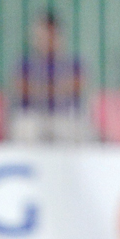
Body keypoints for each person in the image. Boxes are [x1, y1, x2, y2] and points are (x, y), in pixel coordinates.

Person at [9, 11, 87, 143]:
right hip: (33, 115)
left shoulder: (72, 63)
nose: (46, 39)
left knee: (77, 129)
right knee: (25, 128)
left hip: (64, 115)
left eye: (50, 34)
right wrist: (57, 88)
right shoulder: (26, 63)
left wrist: (40, 88)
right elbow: (22, 88)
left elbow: (77, 86)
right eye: (42, 35)